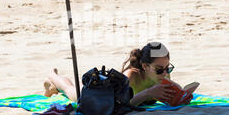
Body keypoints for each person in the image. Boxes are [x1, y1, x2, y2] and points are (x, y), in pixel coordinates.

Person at [43, 42, 199, 106]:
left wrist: (181, 95)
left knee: (68, 89)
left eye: (168, 68)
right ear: (145, 66)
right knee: (71, 90)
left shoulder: (163, 75)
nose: (165, 73)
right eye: (159, 69)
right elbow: (123, 104)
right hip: (100, 97)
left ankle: (51, 88)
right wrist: (149, 92)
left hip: (114, 98)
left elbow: (175, 90)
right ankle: (53, 76)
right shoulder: (131, 76)